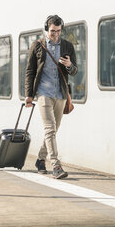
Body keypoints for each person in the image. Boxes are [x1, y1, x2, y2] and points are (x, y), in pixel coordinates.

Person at [24, 15, 78, 179]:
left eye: (58, 31)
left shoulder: (67, 46)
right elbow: (30, 72)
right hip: (43, 93)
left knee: (53, 130)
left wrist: (69, 66)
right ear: (46, 29)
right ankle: (56, 165)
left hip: (61, 94)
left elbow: (75, 70)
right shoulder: (37, 46)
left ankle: (40, 159)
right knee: (50, 128)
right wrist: (29, 95)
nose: (55, 34)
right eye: (53, 31)